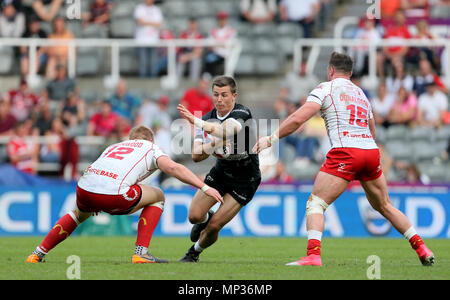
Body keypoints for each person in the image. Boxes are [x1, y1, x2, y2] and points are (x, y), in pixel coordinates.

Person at [253, 52, 435, 267]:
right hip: (370, 151)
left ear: (331, 70)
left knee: (316, 204)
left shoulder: (325, 88)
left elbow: (297, 118)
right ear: (350, 72)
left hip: (346, 152)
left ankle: (313, 255)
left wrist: (271, 138)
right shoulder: (361, 94)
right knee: (385, 205)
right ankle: (422, 248)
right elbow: (372, 130)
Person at [26, 125, 223, 264]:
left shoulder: (114, 146)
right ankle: (141, 253)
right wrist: (203, 187)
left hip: (85, 188)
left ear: (131, 139)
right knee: (159, 196)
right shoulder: (150, 147)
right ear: (150, 140)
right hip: (114, 193)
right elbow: (172, 167)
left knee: (78, 214)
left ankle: (37, 254)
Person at [176, 76, 261, 263]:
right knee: (194, 216)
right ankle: (207, 217)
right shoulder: (207, 118)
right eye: (216, 95)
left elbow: (226, 131)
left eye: (224, 95)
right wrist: (212, 145)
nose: (219, 99)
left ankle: (194, 252)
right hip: (221, 172)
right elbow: (196, 155)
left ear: (234, 96)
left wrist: (198, 124)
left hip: (245, 179)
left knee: (214, 227)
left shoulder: (241, 113)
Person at [134, 0, 164, 78]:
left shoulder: (156, 9)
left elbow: (159, 23)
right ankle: (143, 79)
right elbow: (140, 22)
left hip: (153, 40)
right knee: (143, 61)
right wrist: (152, 23)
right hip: (142, 40)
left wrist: (146, 22)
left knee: (153, 61)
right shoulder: (139, 8)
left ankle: (153, 80)